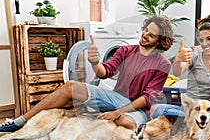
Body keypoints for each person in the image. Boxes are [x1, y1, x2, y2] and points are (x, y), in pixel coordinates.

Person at [0, 15, 174, 133]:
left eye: (151, 35)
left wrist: (118, 112)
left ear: (160, 41)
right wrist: (94, 62)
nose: (145, 36)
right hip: (115, 97)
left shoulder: (163, 64)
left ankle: (105, 127)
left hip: (137, 107)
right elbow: (105, 72)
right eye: (146, 31)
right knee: (70, 87)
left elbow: (146, 99)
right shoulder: (126, 50)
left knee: (124, 122)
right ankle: (19, 121)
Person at [151, 14, 210, 138]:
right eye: (201, 40)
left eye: (209, 38)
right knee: (155, 110)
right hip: (190, 110)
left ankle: (188, 126)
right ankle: (203, 128)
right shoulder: (194, 57)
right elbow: (178, 72)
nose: (204, 44)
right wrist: (177, 59)